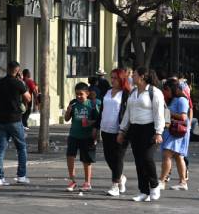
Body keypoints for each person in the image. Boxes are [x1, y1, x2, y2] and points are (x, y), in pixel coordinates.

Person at [117, 68, 165, 203]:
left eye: (134, 74)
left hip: (150, 129)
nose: (132, 76)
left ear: (142, 77)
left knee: (147, 157)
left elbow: (159, 113)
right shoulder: (133, 92)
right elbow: (128, 113)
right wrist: (122, 130)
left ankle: (154, 185)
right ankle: (143, 191)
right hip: (135, 129)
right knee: (139, 160)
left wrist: (158, 132)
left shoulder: (154, 92)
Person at [0, 60, 31, 186]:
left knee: (0, 150)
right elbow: (28, 98)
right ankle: (21, 176)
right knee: (21, 147)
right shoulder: (18, 83)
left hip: (1, 120)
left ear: (7, 69)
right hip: (15, 119)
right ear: (17, 71)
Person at [98, 68, 130, 197]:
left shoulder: (126, 94)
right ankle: (121, 177)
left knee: (118, 158)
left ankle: (115, 185)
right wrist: (96, 127)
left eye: (115, 78)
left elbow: (127, 113)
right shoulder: (107, 91)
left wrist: (123, 130)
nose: (112, 80)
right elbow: (102, 110)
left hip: (120, 131)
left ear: (121, 79)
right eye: (111, 77)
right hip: (106, 129)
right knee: (108, 157)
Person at [64, 82, 99, 192]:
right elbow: (66, 119)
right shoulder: (73, 103)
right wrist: (68, 111)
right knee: (70, 156)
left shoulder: (92, 105)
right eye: (77, 94)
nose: (78, 96)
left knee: (86, 160)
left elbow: (98, 121)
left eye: (81, 94)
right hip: (74, 135)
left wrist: (90, 123)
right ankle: (72, 181)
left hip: (87, 137)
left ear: (87, 93)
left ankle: (87, 182)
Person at [158, 78, 189, 191]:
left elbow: (183, 117)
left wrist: (168, 112)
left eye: (166, 89)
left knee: (167, 155)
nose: (165, 92)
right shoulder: (173, 100)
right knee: (178, 156)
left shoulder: (181, 100)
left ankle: (162, 180)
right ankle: (182, 182)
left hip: (177, 132)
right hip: (172, 131)